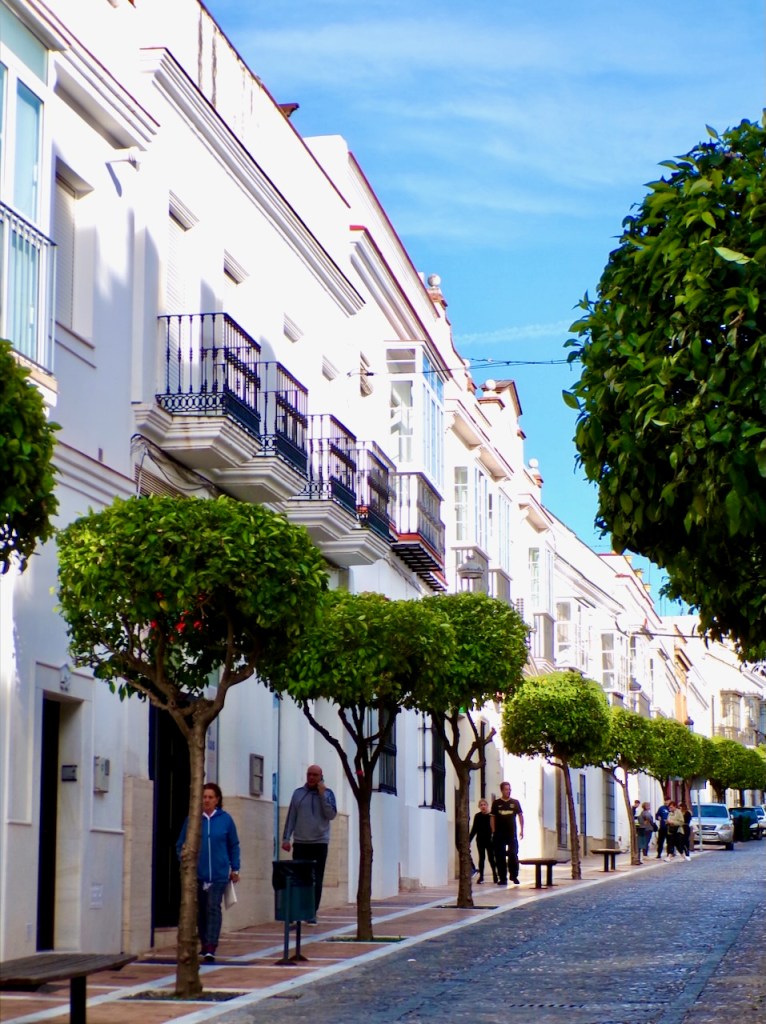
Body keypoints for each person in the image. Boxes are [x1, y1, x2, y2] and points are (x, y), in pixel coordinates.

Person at [176, 782, 240, 963]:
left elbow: (234, 845)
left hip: (219, 874)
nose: (207, 800)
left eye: (210, 797)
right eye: (204, 797)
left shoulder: (226, 820)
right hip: (198, 874)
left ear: (217, 800)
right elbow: (181, 844)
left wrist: (235, 868)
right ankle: (204, 944)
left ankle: (211, 946)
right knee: (201, 911)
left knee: (213, 907)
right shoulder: (193, 820)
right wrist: (184, 862)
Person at [282, 764, 337, 924]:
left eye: (315, 775)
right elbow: (291, 816)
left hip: (319, 843)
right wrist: (286, 838)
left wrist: (322, 795)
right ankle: (296, 911)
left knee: (316, 879)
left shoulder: (328, 794)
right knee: (298, 878)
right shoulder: (298, 794)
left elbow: (331, 814)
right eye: (309, 774)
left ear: (321, 777)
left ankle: (312, 911)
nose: (311, 777)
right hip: (301, 842)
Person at [490, 782, 524, 886]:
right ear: (502, 790)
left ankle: (514, 875)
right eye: (506, 789)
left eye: (509, 789)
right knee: (500, 856)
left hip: (511, 834)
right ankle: (502, 878)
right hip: (499, 834)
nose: (508, 791)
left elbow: (520, 816)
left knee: (513, 854)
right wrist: (493, 831)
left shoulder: (515, 803)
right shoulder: (496, 803)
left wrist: (522, 830)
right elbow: (492, 818)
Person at [469, 798, 498, 884]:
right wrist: (469, 840)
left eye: (484, 805)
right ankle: (481, 876)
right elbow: (474, 829)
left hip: (489, 840)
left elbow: (494, 828)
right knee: (481, 858)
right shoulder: (477, 816)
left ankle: (495, 875)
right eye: (481, 805)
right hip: (480, 840)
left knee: (491, 858)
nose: (483, 806)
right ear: (479, 807)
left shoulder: (491, 816)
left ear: (487, 806)